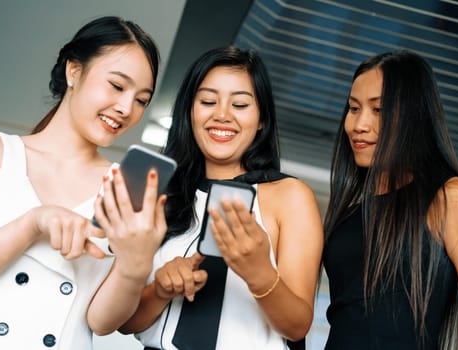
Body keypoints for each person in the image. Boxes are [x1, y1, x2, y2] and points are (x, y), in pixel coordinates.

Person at [119, 46, 324, 349]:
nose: (222, 115)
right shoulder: (156, 191)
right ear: (190, 111)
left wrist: (260, 273)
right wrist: (160, 290)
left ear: (262, 119)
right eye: (208, 101)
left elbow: (297, 327)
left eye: (240, 104)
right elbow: (123, 323)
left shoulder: (290, 197)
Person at [0, 16, 167, 349]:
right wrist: (33, 223)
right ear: (74, 71)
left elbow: (101, 320)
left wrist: (135, 265)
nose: (127, 108)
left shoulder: (124, 189)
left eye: (142, 100)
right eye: (117, 85)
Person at [322, 49, 458, 349]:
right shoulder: (346, 218)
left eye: (378, 110)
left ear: (413, 116)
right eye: (353, 108)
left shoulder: (450, 199)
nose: (358, 124)